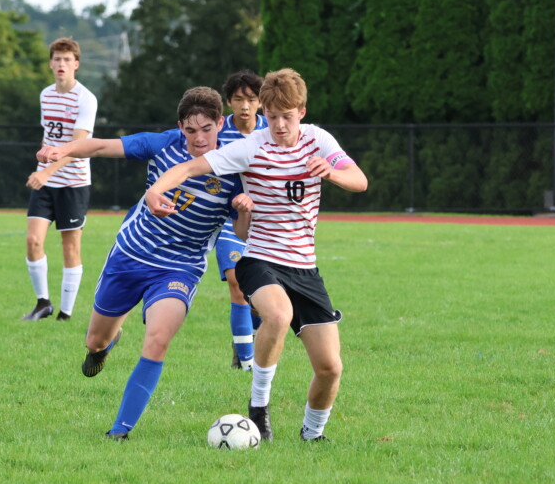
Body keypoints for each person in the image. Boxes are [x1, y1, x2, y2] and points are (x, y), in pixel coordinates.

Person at [144, 68, 368, 442]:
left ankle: (312, 435)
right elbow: (190, 167)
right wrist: (155, 192)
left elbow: (359, 180)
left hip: (305, 269)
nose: (279, 124)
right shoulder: (252, 147)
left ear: (302, 112)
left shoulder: (318, 140)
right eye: (273, 115)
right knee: (279, 316)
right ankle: (259, 407)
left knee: (330, 368)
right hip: (260, 260)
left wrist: (331, 172)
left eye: (287, 116)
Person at [36, 86, 251, 441]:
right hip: (130, 256)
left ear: (220, 123)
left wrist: (243, 212)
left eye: (207, 129)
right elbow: (102, 145)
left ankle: (120, 430)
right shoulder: (162, 143)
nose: (199, 139)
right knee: (93, 340)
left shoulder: (233, 166)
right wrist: (65, 149)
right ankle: (106, 343)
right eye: (191, 130)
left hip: (179, 268)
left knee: (158, 338)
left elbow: (241, 234)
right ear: (180, 126)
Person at [22, 37, 98, 322]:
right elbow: (50, 137)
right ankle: (43, 303)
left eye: (67, 60)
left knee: (70, 247)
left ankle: (65, 314)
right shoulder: (45, 95)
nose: (61, 64)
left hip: (74, 183)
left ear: (76, 64)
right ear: (51, 63)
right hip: (47, 183)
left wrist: (46, 171)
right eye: (57, 59)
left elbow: (78, 147)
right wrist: (43, 155)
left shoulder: (86, 99)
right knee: (33, 240)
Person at [216, 70, 267, 371]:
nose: (245, 106)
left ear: (261, 102)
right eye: (238, 99)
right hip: (228, 218)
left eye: (251, 99)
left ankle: (249, 335)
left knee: (259, 295)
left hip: (265, 223)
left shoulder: (271, 130)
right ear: (229, 102)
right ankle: (246, 363)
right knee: (236, 282)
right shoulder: (219, 134)